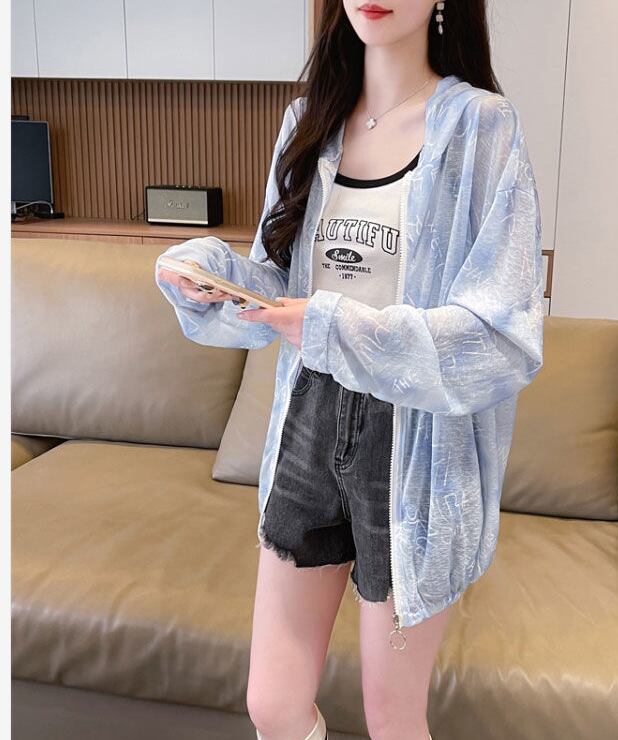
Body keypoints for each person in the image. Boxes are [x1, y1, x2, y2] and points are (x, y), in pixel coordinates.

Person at [155, 1, 545, 738]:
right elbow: (279, 284)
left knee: (391, 717)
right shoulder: (309, 121)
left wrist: (336, 326)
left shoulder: (480, 128)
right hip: (308, 417)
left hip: (412, 439)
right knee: (272, 704)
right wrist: (209, 274)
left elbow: (503, 336)